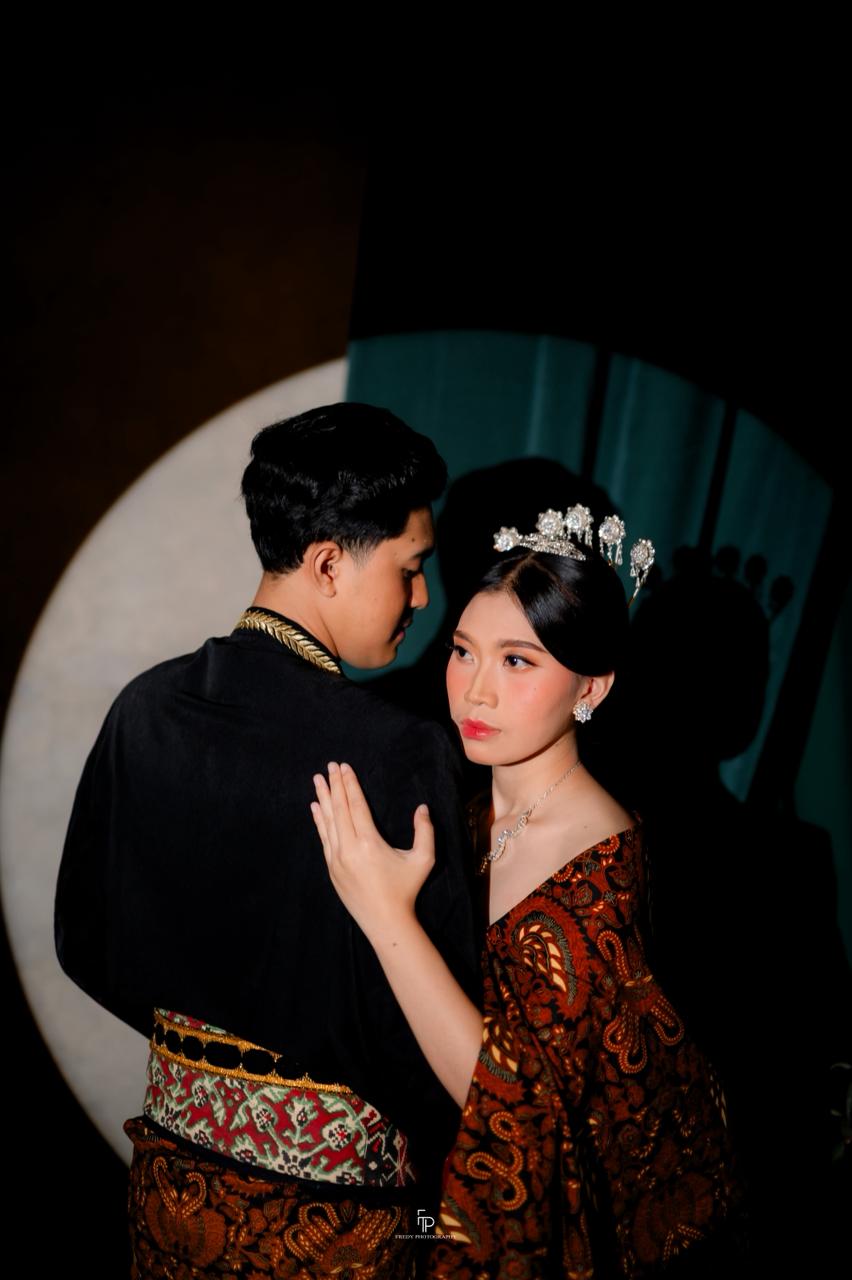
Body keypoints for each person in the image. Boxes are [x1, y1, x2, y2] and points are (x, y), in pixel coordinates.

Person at [55, 403, 479, 1278]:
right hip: (334, 1222)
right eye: (411, 568)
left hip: (169, 1189)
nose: (423, 599)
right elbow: (437, 1033)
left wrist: (206, 1067)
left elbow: (84, 943)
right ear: (327, 563)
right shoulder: (397, 751)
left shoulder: (145, 708)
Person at [312, 508, 743, 1278]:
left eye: (518, 661)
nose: (475, 691)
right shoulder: (467, 806)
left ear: (591, 686)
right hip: (430, 1188)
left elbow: (513, 1103)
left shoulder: (599, 860)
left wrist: (385, 916)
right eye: (463, 651)